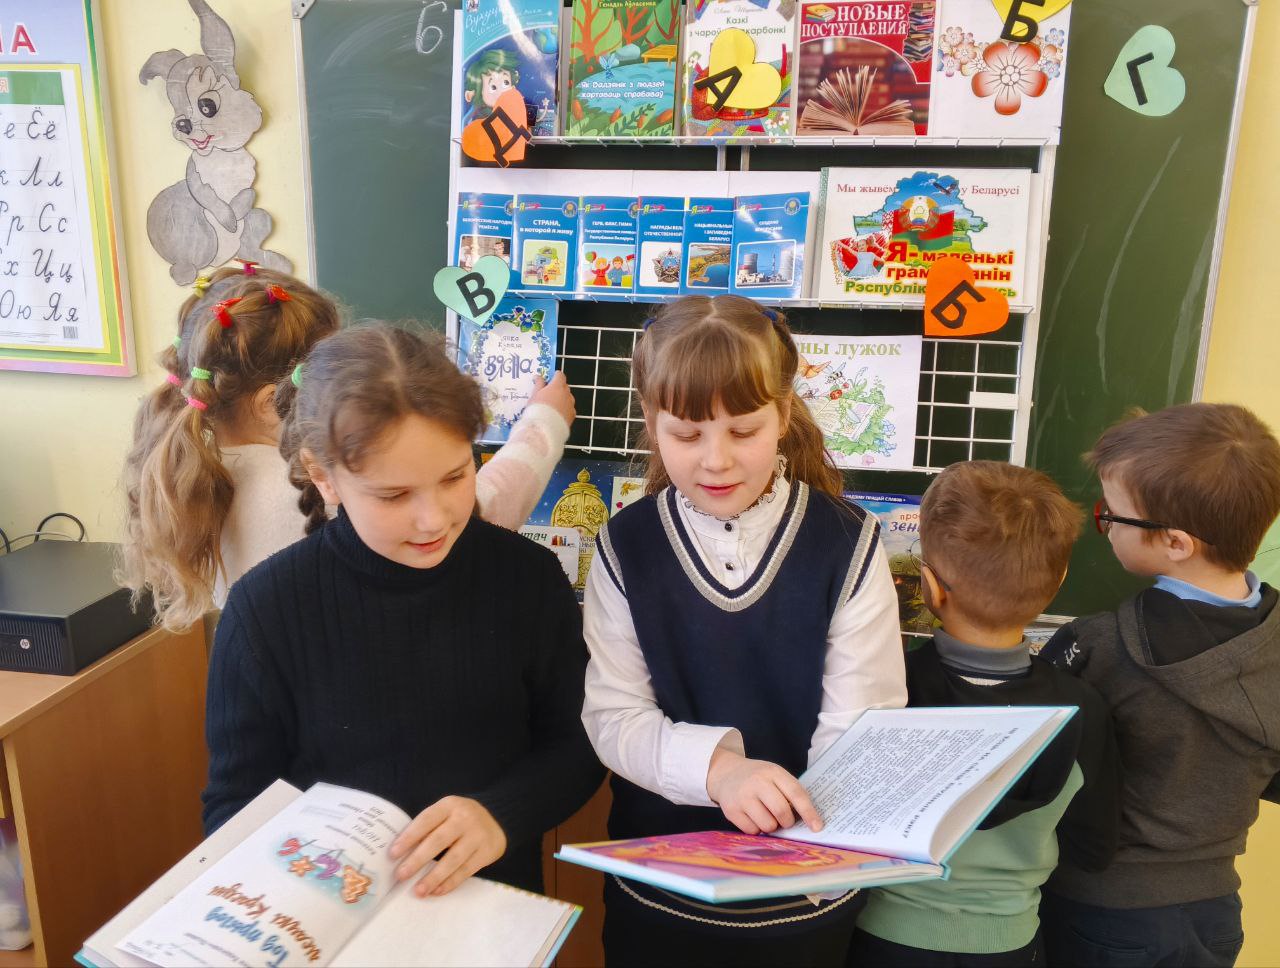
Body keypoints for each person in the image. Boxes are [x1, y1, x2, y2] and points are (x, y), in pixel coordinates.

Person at [202, 324, 604, 897]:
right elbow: (235, 806)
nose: (434, 519)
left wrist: (501, 814)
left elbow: (579, 744)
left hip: (489, 910)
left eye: (455, 476)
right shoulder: (264, 610)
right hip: (332, 915)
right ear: (323, 476)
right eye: (393, 495)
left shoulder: (527, 579)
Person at [582, 295, 906, 966]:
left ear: (784, 414)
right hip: (658, 895)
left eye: (744, 430)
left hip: (802, 900)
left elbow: (861, 728)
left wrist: (812, 862)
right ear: (651, 420)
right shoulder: (625, 546)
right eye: (687, 435)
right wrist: (720, 771)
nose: (716, 460)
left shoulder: (847, 543)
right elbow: (614, 717)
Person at [120, 266, 575, 631]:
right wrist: (545, 423)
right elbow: (478, 516)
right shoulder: (303, 489)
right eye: (330, 379)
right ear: (270, 404)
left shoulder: (199, 471)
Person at [1039, 403, 1280, 967]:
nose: (1104, 526)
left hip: (1100, 909)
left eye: (1112, 516)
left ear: (1176, 543)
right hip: (1215, 910)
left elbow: (1036, 771)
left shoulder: (1096, 647)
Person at [850, 461, 1118, 967]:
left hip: (883, 939)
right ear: (1059, 581)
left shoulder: (889, 692)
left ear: (930, 588)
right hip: (1010, 944)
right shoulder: (1082, 709)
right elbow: (1094, 849)